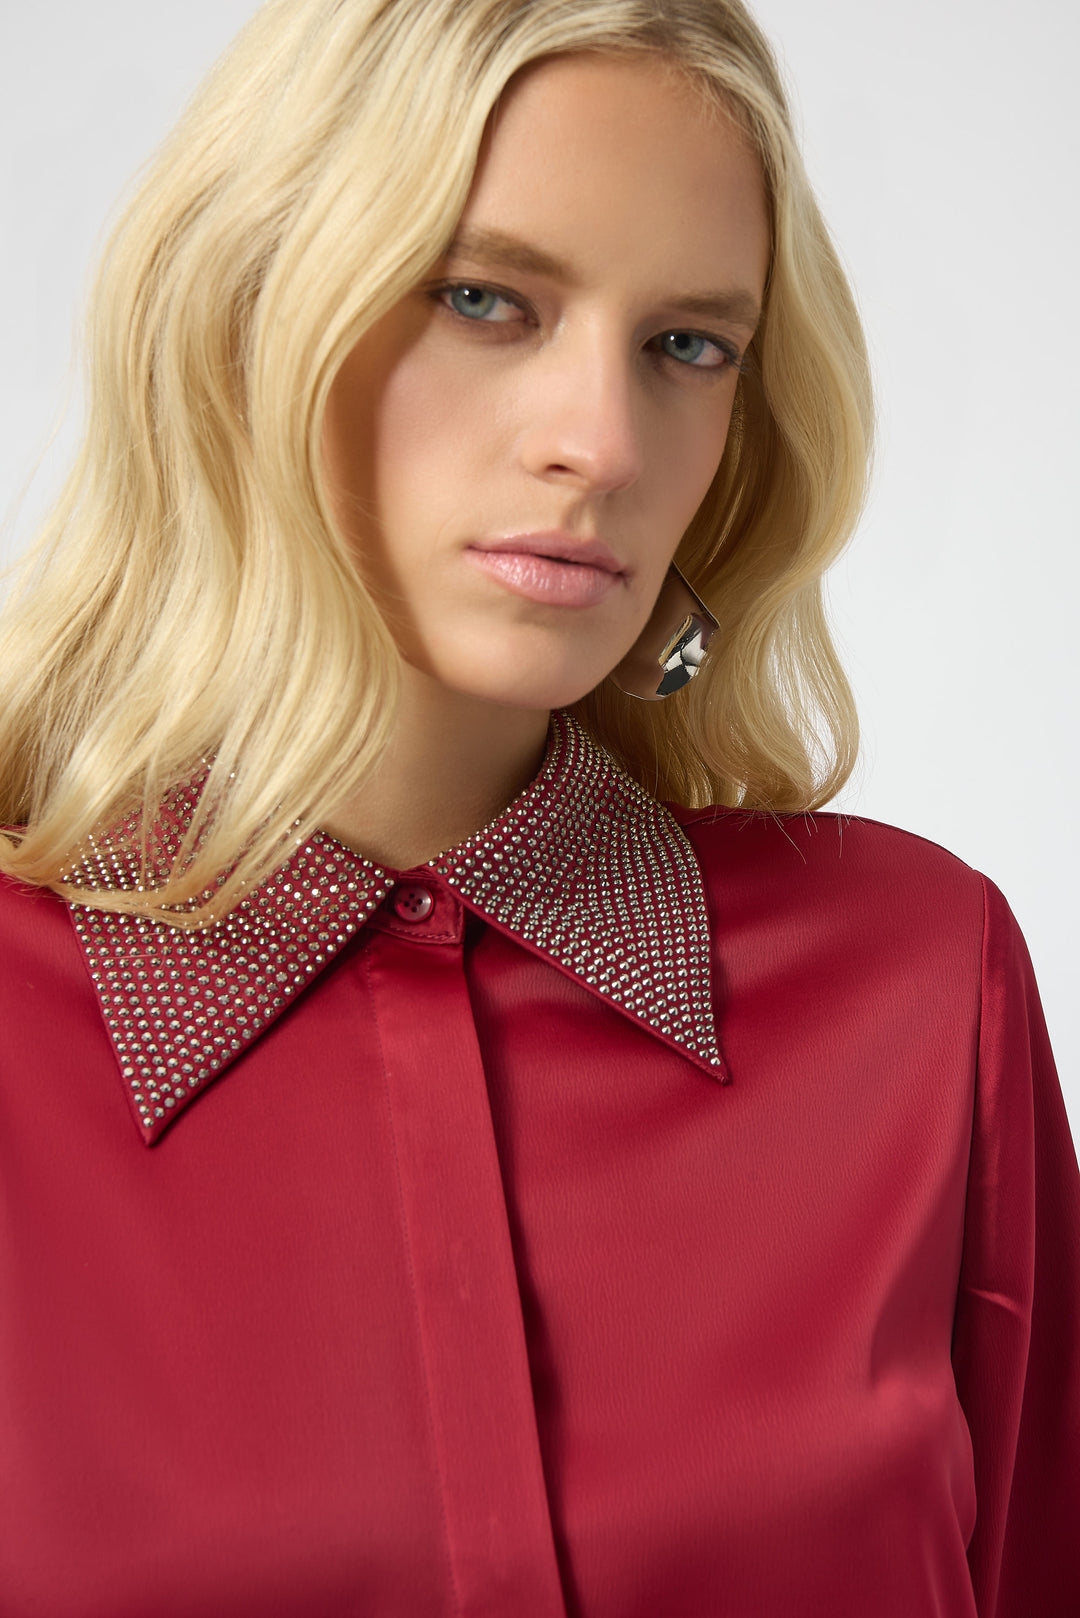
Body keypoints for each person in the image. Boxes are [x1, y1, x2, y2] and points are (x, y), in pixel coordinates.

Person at [0, 0, 1076, 1613]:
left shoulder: (922, 992)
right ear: (248, 308)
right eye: (485, 299)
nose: (602, 445)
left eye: (688, 345)